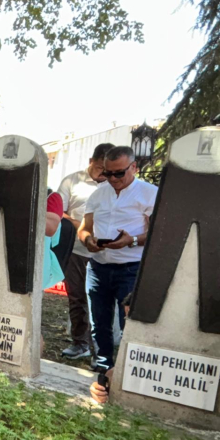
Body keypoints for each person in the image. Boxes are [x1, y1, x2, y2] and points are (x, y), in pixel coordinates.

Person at [78, 146, 157, 371]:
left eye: (119, 173)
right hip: (98, 267)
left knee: (129, 324)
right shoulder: (98, 193)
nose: (112, 178)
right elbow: (84, 228)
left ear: (134, 167)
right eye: (107, 173)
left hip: (132, 268)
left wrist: (132, 240)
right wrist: (88, 240)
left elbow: (158, 233)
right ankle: (103, 366)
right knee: (99, 322)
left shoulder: (150, 193)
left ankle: (125, 371)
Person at [56, 143, 113, 360]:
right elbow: (57, 212)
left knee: (103, 301)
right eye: (100, 168)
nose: (104, 174)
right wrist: (80, 226)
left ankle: (102, 348)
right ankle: (80, 343)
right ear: (91, 161)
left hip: (108, 253)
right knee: (77, 297)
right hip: (77, 250)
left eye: (108, 170)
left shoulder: (115, 183)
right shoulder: (72, 181)